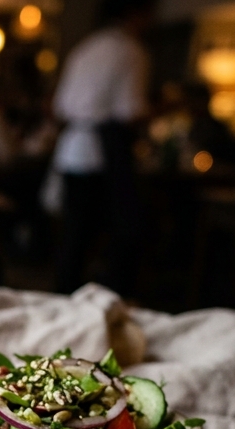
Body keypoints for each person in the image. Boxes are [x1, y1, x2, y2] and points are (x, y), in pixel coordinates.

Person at [51, 0, 154, 296]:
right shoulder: (131, 51)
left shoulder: (86, 48)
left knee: (73, 236)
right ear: (137, 14)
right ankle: (96, 303)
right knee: (109, 237)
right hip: (101, 155)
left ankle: (63, 297)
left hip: (71, 151)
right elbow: (130, 111)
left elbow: (60, 106)